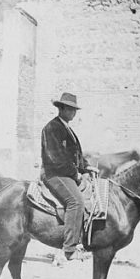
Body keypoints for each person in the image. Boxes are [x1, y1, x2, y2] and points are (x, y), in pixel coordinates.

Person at [41, 92, 97, 261]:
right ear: (61, 108)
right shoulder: (51, 128)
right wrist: (76, 175)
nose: (74, 112)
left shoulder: (67, 128)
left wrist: (87, 168)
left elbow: (75, 155)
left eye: (75, 109)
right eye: (70, 109)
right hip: (54, 173)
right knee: (76, 201)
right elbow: (55, 158)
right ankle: (69, 249)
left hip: (64, 172)